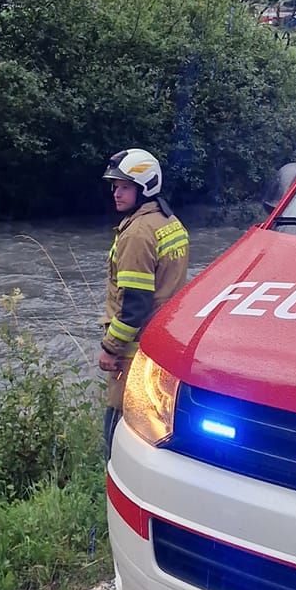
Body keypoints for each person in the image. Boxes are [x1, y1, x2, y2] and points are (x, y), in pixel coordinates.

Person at [99, 149, 190, 456]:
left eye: (124, 186)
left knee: (116, 431)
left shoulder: (137, 234)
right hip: (162, 344)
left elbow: (134, 306)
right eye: (114, 186)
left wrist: (110, 348)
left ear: (145, 186)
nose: (116, 193)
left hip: (132, 353)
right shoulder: (168, 221)